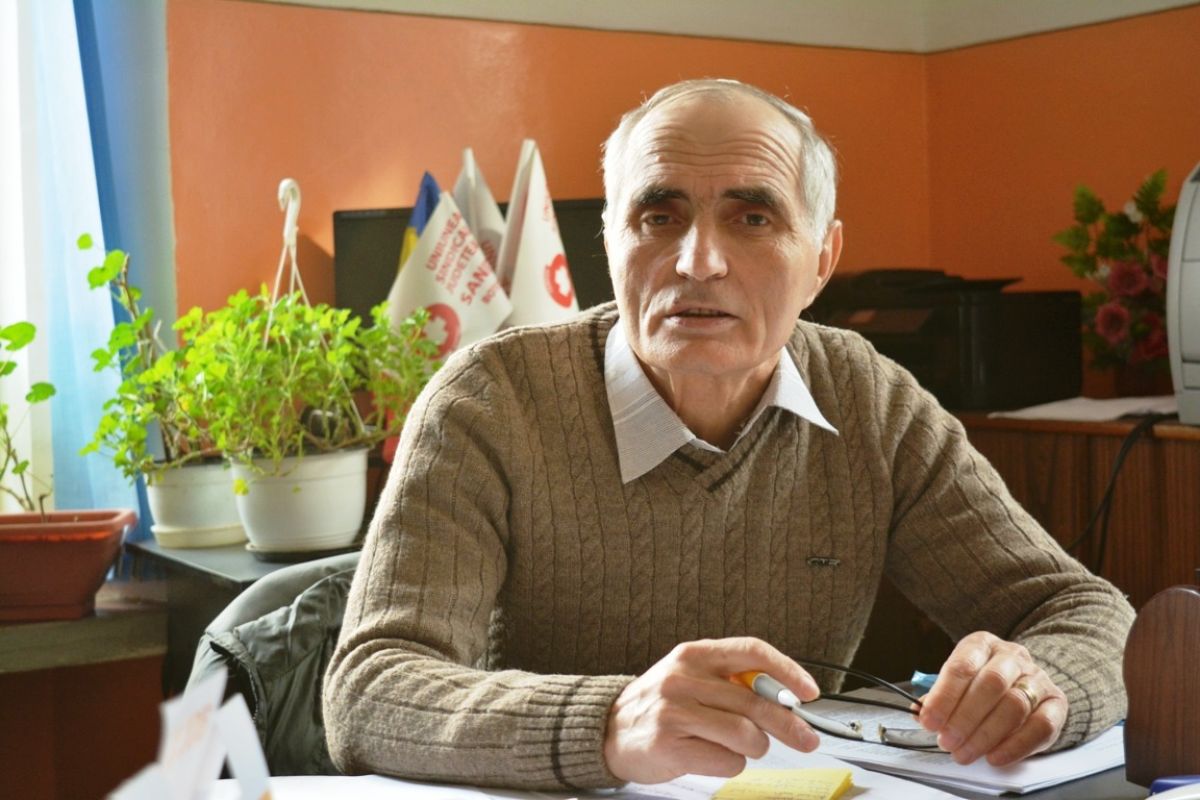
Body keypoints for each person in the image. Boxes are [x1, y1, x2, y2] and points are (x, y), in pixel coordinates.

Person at [323, 78, 1134, 791]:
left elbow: (1084, 612)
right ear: (610, 242)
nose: (698, 261)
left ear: (822, 259)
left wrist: (1038, 687)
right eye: (659, 215)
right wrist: (609, 722)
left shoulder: (871, 400)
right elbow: (368, 691)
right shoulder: (489, 400)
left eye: (752, 217)